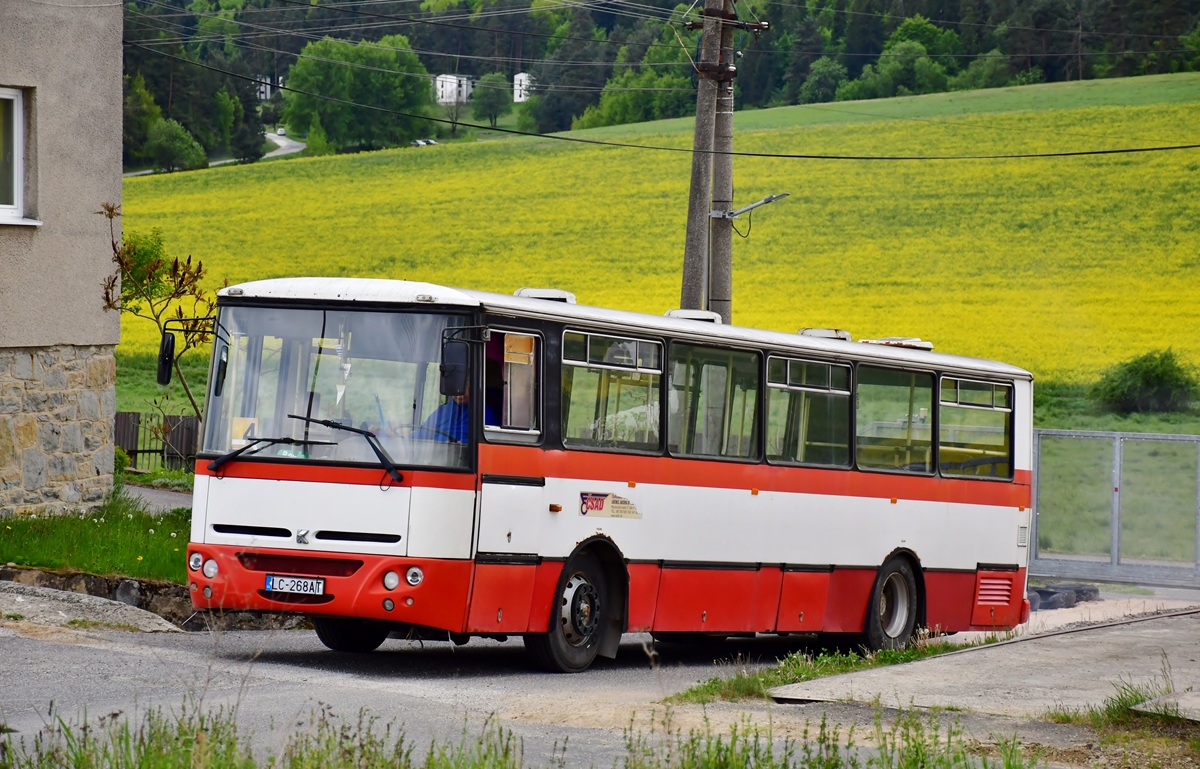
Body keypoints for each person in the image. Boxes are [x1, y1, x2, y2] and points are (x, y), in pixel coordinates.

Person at [420, 387, 499, 443]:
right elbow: (421, 434)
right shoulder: (443, 411)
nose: (459, 391)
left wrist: (461, 446)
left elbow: (488, 443)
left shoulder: (485, 413)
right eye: (455, 386)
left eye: (465, 385)